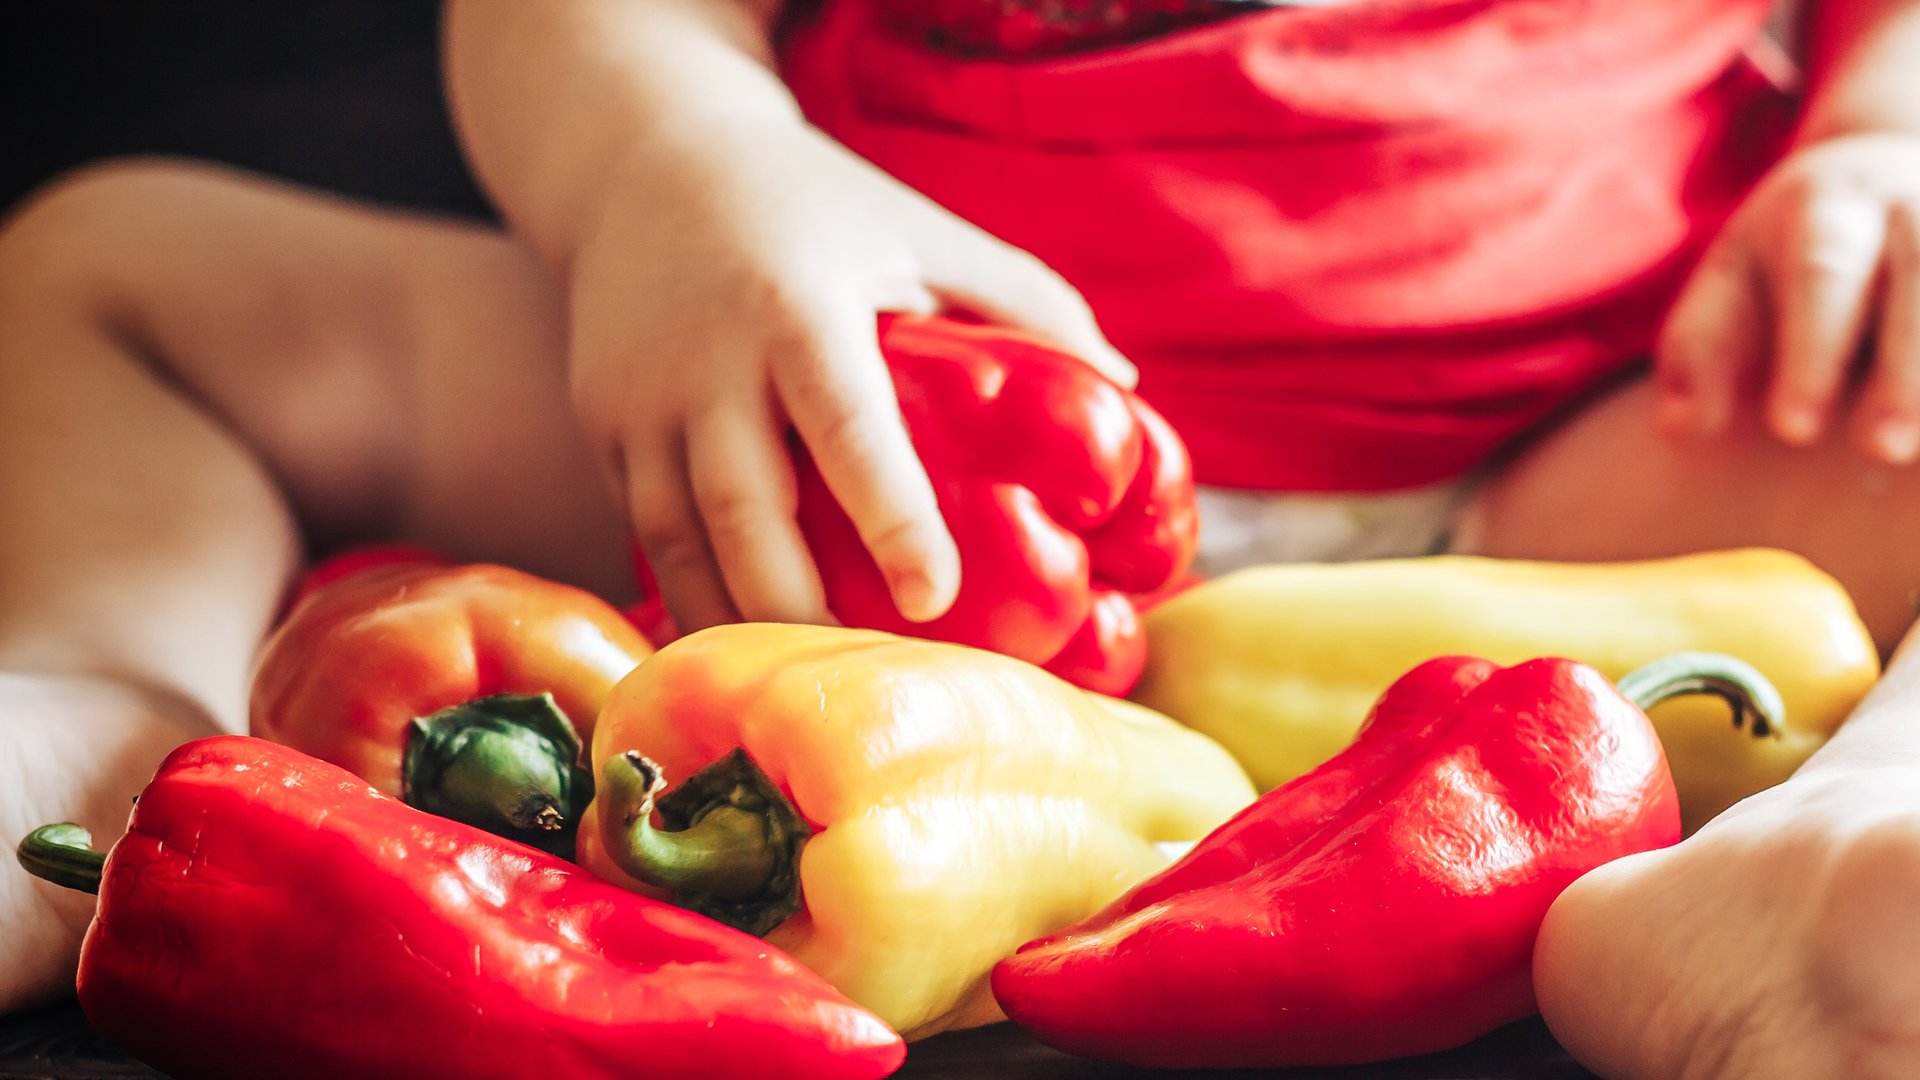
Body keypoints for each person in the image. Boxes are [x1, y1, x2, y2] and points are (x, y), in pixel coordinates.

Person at [1, 0, 1917, 1075]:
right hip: (834, 433)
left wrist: (1877, 140)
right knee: (128, 269)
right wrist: (676, 173)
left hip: (1580, 437)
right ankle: (100, 689)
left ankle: (1838, 847)